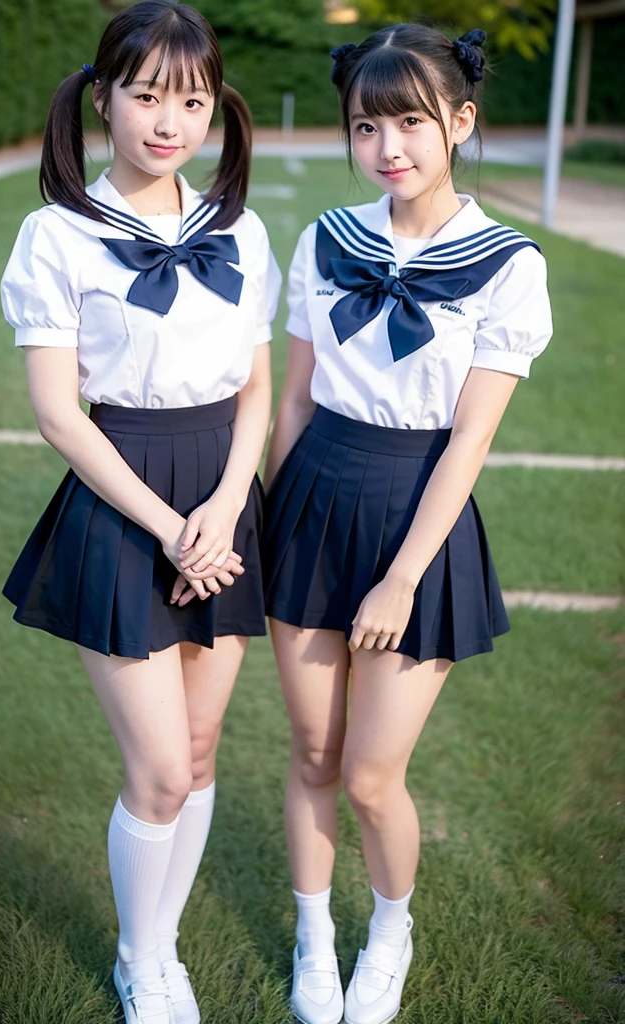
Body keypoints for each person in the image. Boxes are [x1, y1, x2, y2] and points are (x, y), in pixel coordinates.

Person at [262, 24, 552, 1024]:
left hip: (416, 516)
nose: (388, 145)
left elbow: (468, 438)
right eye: (366, 124)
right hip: (312, 495)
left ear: (458, 123)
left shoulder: (508, 264)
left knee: (373, 774)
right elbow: (293, 400)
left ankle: (389, 929)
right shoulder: (324, 239)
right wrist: (273, 513)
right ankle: (313, 935)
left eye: (411, 121)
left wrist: (399, 576)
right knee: (310, 754)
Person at [0, 2, 280, 1022]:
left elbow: (256, 390)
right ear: (103, 95)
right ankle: (142, 958)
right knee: (158, 769)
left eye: (192, 99)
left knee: (200, 756)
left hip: (223, 494)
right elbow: (56, 413)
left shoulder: (239, 230)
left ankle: (158, 948)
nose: (169, 120)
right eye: (149, 94)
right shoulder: (55, 234)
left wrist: (222, 507)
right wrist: (170, 526)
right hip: (126, 503)